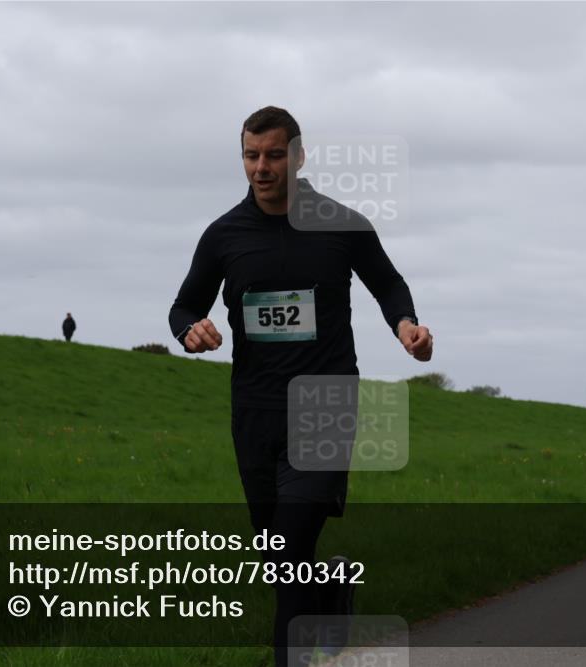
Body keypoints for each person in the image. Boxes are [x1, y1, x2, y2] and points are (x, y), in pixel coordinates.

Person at [168, 106, 432, 666]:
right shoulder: (223, 236)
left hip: (324, 403)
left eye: (273, 154)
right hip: (255, 411)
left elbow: (388, 284)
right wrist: (190, 330)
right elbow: (184, 303)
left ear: (299, 156)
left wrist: (405, 325)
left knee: (288, 553)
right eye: (250, 155)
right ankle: (333, 587)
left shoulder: (342, 225)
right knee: (279, 558)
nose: (261, 167)